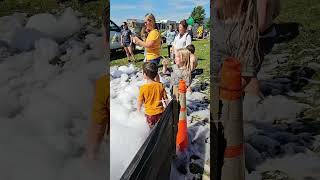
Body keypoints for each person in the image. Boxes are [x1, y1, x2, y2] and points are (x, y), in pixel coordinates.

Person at [137, 62, 168, 129]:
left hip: (150, 114)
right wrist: (167, 108)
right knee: (160, 128)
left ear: (144, 74)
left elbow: (140, 101)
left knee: (151, 130)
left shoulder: (143, 88)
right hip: (160, 112)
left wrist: (138, 111)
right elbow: (165, 99)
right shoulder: (160, 85)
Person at [132, 13, 162, 82]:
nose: (145, 24)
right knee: (155, 74)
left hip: (153, 57)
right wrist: (138, 42)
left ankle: (155, 88)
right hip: (151, 57)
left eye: (146, 22)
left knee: (151, 76)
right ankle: (157, 86)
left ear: (151, 21)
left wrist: (138, 40)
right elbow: (146, 44)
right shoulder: (151, 32)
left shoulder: (154, 32)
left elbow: (148, 45)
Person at [86, 75, 109, 160]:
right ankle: (91, 155)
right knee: (98, 123)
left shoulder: (102, 83)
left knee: (98, 123)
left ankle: (91, 155)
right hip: (104, 85)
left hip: (103, 84)